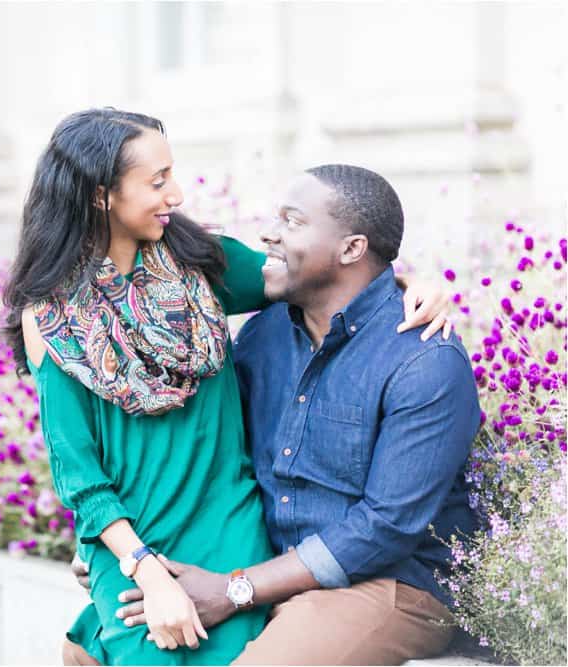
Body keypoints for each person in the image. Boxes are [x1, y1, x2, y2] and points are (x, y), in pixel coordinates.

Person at [3, 109, 451, 666]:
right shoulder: (50, 316)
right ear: (101, 196)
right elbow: (78, 474)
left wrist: (411, 280)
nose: (177, 193)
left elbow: (323, 271)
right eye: (158, 180)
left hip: (229, 526)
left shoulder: (200, 266)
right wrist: (137, 561)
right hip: (136, 544)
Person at [91, 165, 481, 665]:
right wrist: (127, 554)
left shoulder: (424, 360)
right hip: (267, 568)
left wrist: (235, 590)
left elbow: (385, 527)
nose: (268, 234)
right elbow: (208, 455)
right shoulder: (264, 335)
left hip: (391, 584)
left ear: (351, 249)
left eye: (292, 222)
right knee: (91, 651)